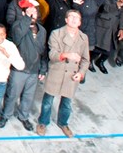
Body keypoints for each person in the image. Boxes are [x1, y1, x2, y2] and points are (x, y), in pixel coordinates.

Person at [38, 9, 90, 137]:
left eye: (76, 17)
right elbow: (52, 54)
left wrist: (81, 73)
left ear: (80, 22)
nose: (73, 19)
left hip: (71, 75)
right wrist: (67, 55)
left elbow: (85, 59)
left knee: (67, 103)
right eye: (71, 16)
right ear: (66, 20)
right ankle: (42, 122)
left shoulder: (83, 38)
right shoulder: (56, 34)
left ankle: (63, 123)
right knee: (48, 101)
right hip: (57, 71)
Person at [1, 1, 47, 131]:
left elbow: (43, 51)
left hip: (33, 70)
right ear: (23, 13)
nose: (33, 14)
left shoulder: (42, 30)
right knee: (12, 94)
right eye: (29, 11)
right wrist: (26, 18)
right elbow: (17, 36)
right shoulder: (17, 26)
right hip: (19, 69)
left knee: (28, 96)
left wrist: (43, 69)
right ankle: (6, 115)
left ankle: (23, 116)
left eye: (34, 12)